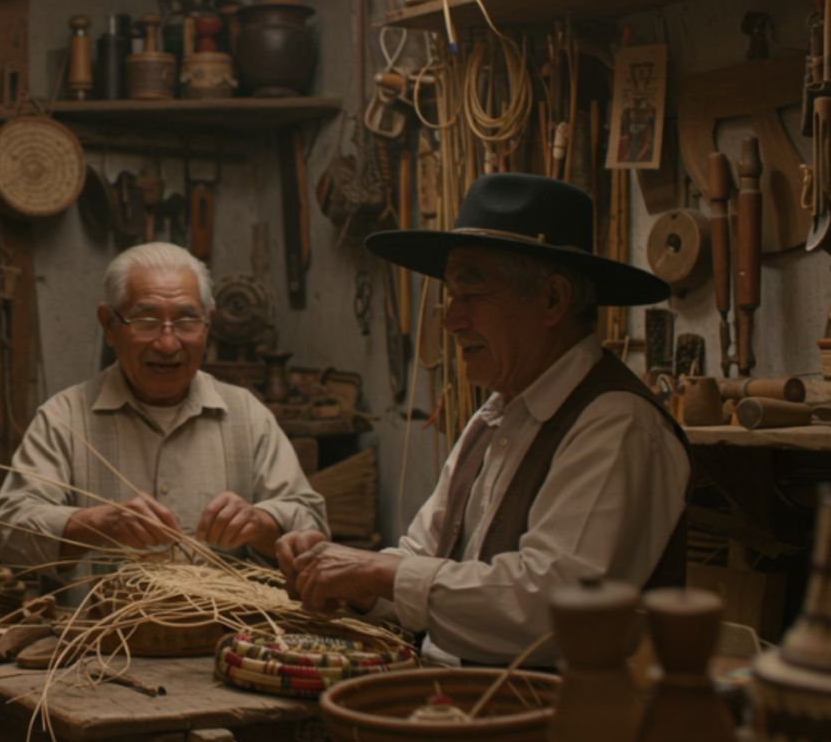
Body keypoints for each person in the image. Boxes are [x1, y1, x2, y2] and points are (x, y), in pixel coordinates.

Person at [279, 172, 690, 664]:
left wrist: (375, 572)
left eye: (471, 294)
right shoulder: (495, 418)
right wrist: (343, 575)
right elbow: (418, 565)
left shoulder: (619, 427)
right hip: (455, 708)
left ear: (553, 300)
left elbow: (552, 612)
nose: (452, 320)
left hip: (555, 731)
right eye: (451, 296)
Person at [0, 241, 328, 576]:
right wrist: (98, 522)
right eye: (147, 320)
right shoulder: (63, 419)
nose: (168, 343)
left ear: (208, 323)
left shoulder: (246, 415)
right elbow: (11, 534)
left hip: (226, 628)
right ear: (108, 325)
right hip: (95, 626)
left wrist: (260, 523)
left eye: (186, 321)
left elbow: (312, 530)